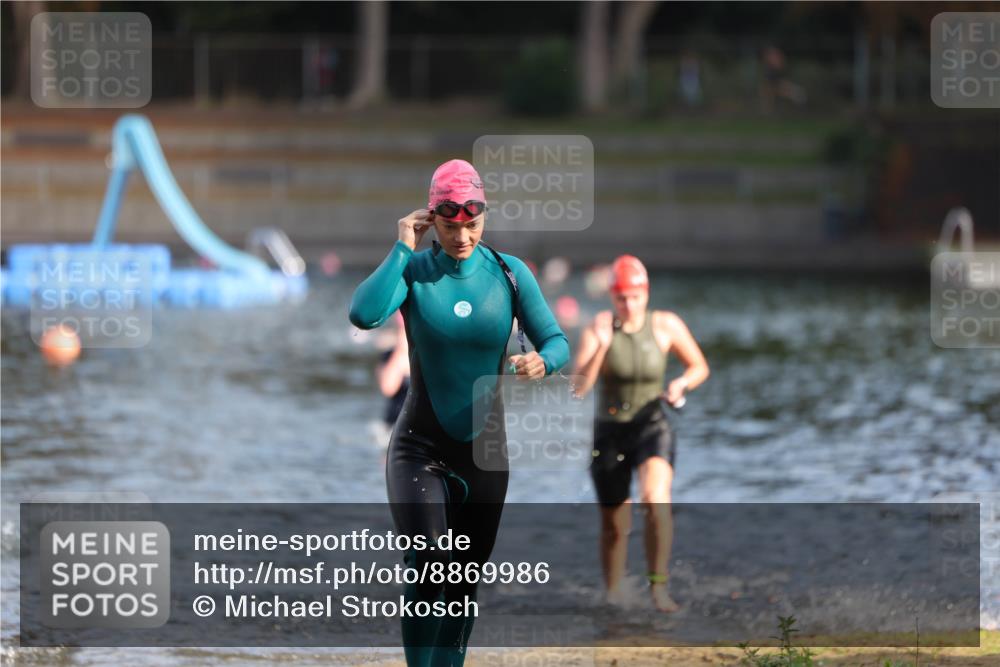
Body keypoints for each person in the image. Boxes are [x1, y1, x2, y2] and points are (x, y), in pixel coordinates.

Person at [349, 159, 570, 667]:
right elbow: (363, 314)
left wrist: (543, 362)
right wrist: (403, 244)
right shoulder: (413, 270)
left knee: (462, 581)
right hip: (418, 448)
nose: (462, 235)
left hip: (485, 453)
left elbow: (557, 341)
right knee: (427, 564)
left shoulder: (511, 275)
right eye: (450, 225)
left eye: (472, 223)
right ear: (433, 218)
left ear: (484, 216)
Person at [572, 255, 709, 612]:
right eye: (621, 298)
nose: (629, 305)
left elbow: (698, 366)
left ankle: (658, 589)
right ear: (612, 297)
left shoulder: (666, 325)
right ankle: (614, 593)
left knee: (654, 499)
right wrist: (602, 346)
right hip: (610, 433)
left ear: (646, 294)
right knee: (615, 525)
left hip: (652, 426)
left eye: (635, 297)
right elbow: (578, 388)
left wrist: (681, 383)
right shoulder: (598, 327)